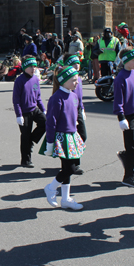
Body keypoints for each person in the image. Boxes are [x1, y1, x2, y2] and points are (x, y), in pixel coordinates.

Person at [41, 66, 86, 210]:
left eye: (77, 79)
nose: (76, 83)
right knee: (70, 168)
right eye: (73, 80)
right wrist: (50, 142)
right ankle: (51, 188)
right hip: (61, 138)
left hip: (72, 136)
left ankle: (66, 199)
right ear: (64, 81)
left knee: (68, 167)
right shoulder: (56, 98)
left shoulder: (73, 96)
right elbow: (51, 122)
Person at [112, 47, 134, 188]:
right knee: (131, 147)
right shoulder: (120, 78)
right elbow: (118, 101)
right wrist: (121, 118)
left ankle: (127, 156)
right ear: (125, 60)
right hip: (129, 117)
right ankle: (128, 177)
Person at [13, 56, 47, 168]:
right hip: (24, 112)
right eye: (31, 66)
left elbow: (38, 97)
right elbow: (16, 100)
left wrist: (43, 109)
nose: (33, 68)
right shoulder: (19, 80)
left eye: (34, 66)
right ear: (25, 67)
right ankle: (25, 160)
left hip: (34, 109)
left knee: (45, 123)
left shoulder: (36, 79)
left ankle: (32, 140)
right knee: (25, 136)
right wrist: (19, 115)